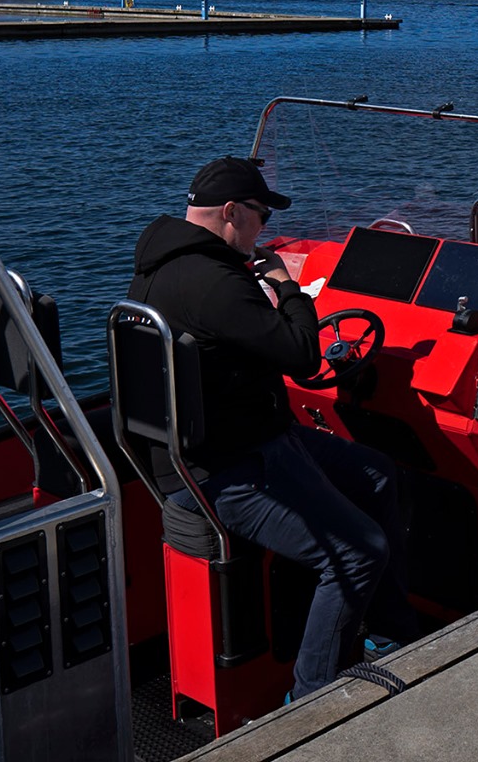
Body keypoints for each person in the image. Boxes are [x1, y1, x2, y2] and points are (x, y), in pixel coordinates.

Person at [129, 155, 415, 700]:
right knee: (359, 550)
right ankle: (310, 700)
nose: (266, 231)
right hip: (229, 467)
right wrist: (286, 287)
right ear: (232, 213)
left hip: (223, 444)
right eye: (261, 217)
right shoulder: (213, 281)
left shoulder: (162, 265)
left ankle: (390, 635)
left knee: (376, 474)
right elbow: (305, 356)